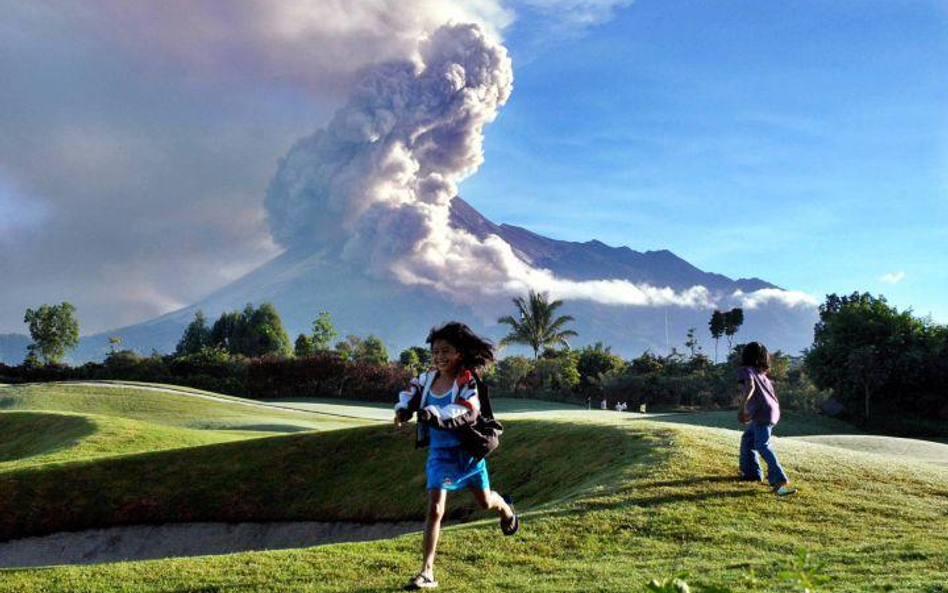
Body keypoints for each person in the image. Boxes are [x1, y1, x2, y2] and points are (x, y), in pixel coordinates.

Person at [395, 322, 519, 590]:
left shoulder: (466, 381)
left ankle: (506, 508)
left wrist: (433, 415)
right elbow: (410, 393)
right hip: (439, 455)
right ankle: (427, 572)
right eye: (436, 351)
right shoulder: (427, 378)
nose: (439, 357)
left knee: (486, 502)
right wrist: (403, 409)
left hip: (468, 454)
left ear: (459, 353)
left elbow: (467, 410)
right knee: (435, 508)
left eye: (446, 351)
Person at [737, 341, 797, 496]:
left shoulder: (746, 370)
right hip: (770, 411)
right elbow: (769, 397)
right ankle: (752, 473)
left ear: (746, 355)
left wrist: (742, 407)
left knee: (762, 445)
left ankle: (779, 479)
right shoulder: (763, 376)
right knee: (748, 439)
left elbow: (750, 387)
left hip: (762, 413)